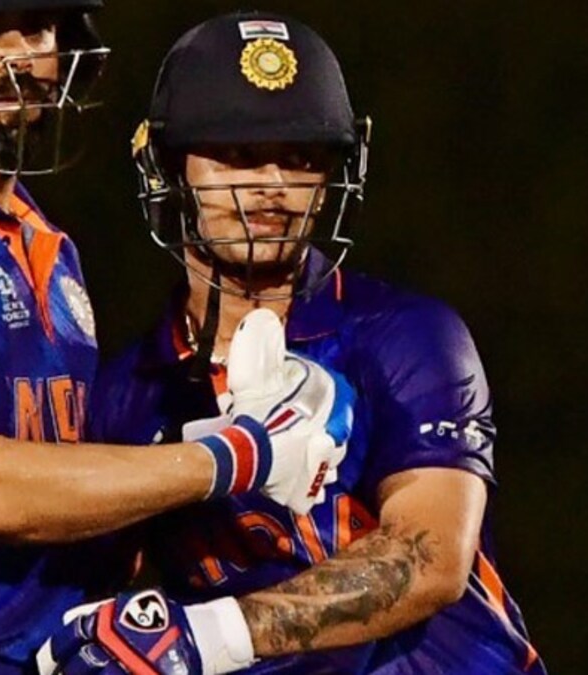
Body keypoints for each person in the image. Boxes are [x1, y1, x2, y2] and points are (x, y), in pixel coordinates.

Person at [0, 2, 351, 672]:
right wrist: (239, 454)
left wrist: (194, 445)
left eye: (36, 28)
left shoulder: (40, 239)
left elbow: (52, 498)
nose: (14, 57)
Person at [40, 11, 546, 675]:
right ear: (167, 167)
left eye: (302, 158)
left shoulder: (405, 334)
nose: (273, 185)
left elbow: (429, 556)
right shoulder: (129, 396)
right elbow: (85, 592)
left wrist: (212, 634)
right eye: (238, 156)